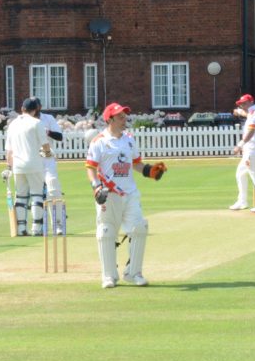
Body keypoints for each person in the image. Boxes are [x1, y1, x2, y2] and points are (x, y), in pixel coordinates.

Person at [85, 102, 167, 289]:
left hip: (130, 193)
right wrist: (96, 188)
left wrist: (150, 171)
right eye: (120, 117)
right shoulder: (99, 141)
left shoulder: (129, 139)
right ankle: (108, 276)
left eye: (124, 116)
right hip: (109, 194)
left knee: (139, 228)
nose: (124, 120)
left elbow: (136, 164)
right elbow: (90, 167)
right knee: (106, 232)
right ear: (110, 119)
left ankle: (133, 273)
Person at [4, 98, 52, 236]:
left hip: (17, 165)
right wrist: (48, 154)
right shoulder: (37, 123)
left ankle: (20, 229)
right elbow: (45, 144)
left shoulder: (13, 124)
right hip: (34, 163)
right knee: (37, 194)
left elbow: (9, 151)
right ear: (35, 110)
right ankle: (36, 229)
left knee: (20, 196)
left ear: (22, 108)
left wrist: (9, 167)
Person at [229, 93, 255, 213]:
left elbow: (251, 132)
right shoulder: (253, 114)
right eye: (241, 104)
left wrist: (239, 145)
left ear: (251, 102)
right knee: (240, 174)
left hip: (253, 150)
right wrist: (240, 112)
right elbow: (247, 115)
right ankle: (242, 201)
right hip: (250, 150)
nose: (242, 105)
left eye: (244, 103)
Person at [33, 97, 65, 235]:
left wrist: (48, 132)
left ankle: (57, 225)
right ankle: (36, 226)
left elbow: (59, 136)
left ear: (39, 107)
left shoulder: (48, 118)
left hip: (48, 158)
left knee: (53, 188)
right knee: (35, 192)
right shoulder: (23, 122)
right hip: (32, 159)